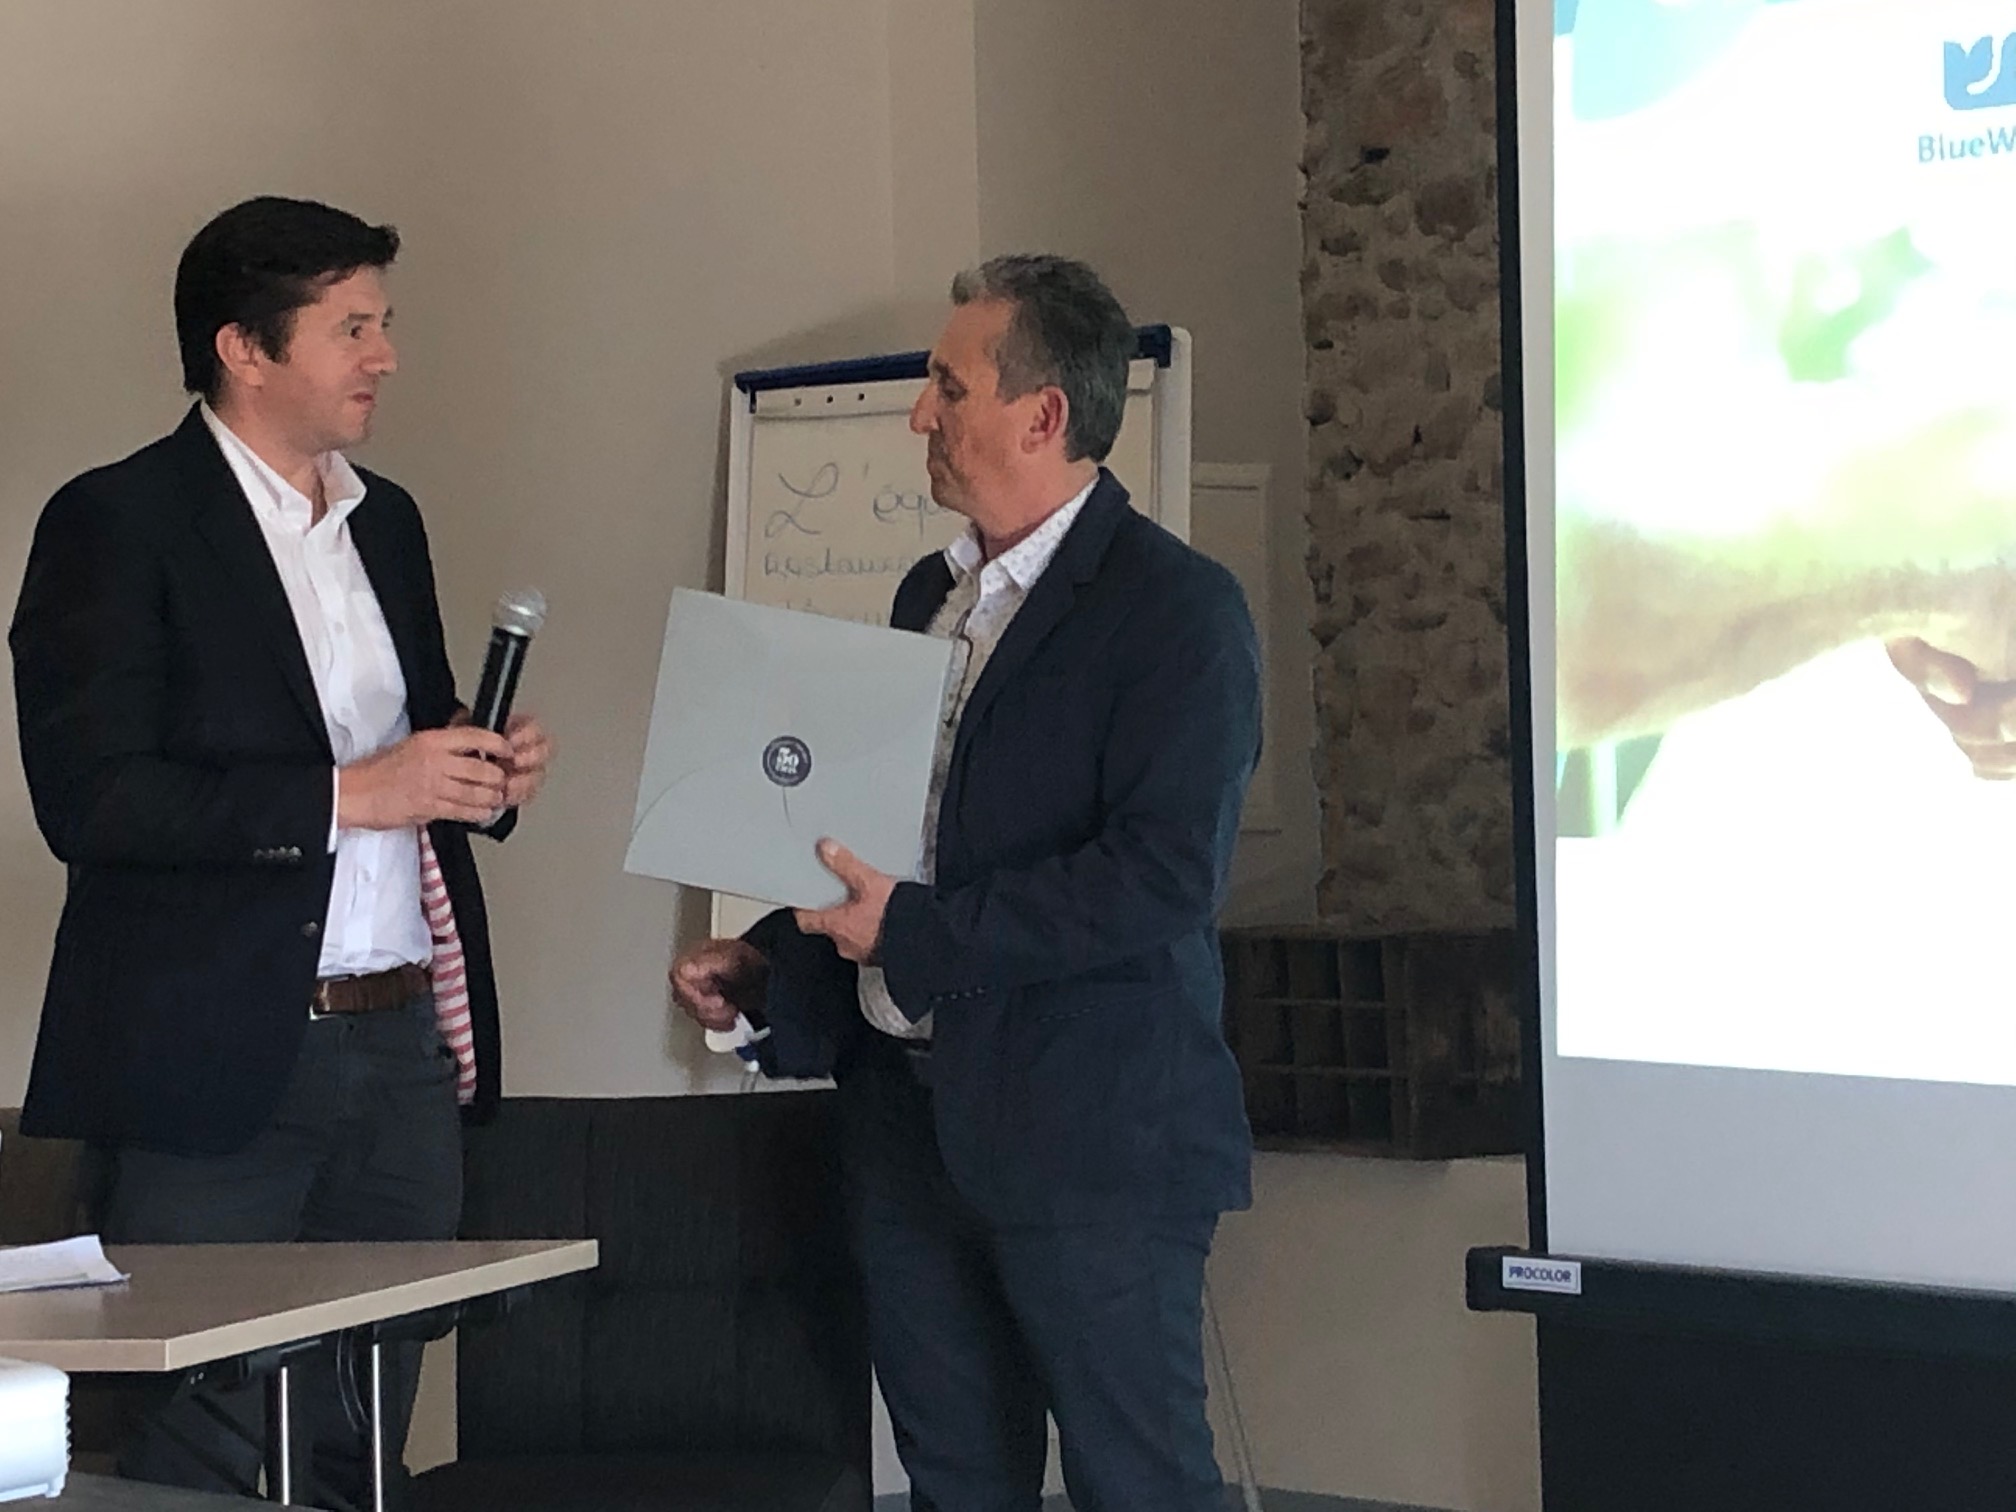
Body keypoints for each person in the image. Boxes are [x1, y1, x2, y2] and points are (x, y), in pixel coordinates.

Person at [672, 255, 1261, 1512]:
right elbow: (896, 841)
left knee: (1137, 1483)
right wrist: (773, 957)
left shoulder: (1178, 612)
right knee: (956, 1481)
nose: (918, 415)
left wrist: (920, 931)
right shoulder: (927, 596)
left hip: (1092, 1136)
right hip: (905, 1123)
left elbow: (1162, 876)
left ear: (1043, 415)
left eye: (948, 385)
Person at [8, 195, 551, 1508]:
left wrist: (476, 774)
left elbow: (408, 751)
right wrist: (348, 796)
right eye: (351, 327)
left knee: (369, 1436)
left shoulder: (388, 521)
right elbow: (93, 801)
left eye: (384, 322)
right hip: (214, 1064)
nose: (387, 356)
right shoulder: (116, 519)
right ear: (244, 349)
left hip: (402, 1049)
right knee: (198, 1443)